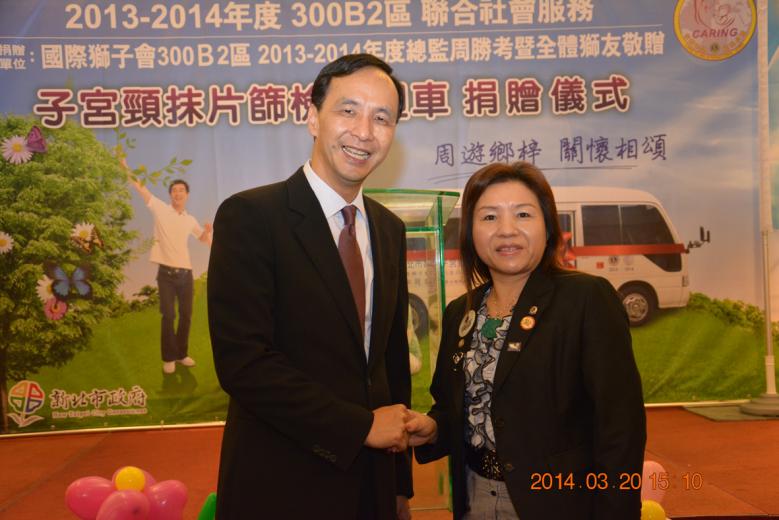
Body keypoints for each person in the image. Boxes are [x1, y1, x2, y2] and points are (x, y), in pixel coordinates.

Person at [207, 54, 413, 519]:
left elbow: (390, 363)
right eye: (348, 110)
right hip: (282, 485)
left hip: (373, 488)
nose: (364, 131)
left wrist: (400, 486)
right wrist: (360, 428)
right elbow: (244, 363)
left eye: (382, 118)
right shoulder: (252, 217)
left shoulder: (389, 230)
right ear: (312, 118)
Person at [405, 162, 646, 519]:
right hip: (474, 496)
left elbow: (621, 427)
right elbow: (459, 407)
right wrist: (434, 428)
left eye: (523, 214)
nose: (507, 230)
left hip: (559, 502)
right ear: (470, 232)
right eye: (489, 217)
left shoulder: (586, 298)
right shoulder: (460, 312)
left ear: (547, 227)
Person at [126, 166, 212, 374]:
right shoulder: (161, 209)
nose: (178, 193)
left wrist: (207, 231)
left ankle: (182, 354)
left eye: (181, 190)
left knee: (186, 315)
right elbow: (141, 188)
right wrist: (125, 167)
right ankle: (168, 358)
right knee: (168, 315)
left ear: (187, 195)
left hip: (186, 274)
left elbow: (202, 239)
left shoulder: (190, 219)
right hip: (166, 275)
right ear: (170, 195)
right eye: (174, 190)